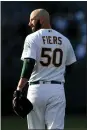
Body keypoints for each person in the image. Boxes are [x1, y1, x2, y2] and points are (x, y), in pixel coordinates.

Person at [16, 9, 76, 130]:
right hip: (57, 88)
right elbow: (70, 66)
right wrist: (56, 75)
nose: (29, 23)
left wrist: (19, 88)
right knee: (56, 128)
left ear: (41, 20)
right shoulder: (64, 40)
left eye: (32, 20)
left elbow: (29, 63)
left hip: (36, 89)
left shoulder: (32, 38)